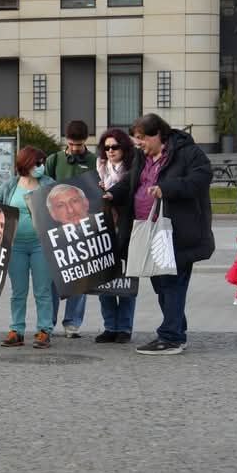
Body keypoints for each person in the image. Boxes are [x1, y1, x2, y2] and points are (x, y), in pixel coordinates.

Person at [106, 113, 214, 355]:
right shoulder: (143, 158)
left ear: (157, 135)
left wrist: (166, 189)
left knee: (172, 283)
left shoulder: (187, 151)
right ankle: (176, 331)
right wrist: (112, 194)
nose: (138, 143)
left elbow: (202, 178)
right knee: (161, 284)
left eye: (142, 138)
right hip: (147, 231)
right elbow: (130, 183)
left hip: (176, 232)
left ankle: (171, 337)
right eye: (136, 139)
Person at [0, 146, 55, 349]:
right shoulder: (12, 184)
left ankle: (44, 330)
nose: (41, 167)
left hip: (40, 244)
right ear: (27, 163)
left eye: (42, 163)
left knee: (43, 290)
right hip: (15, 245)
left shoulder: (48, 184)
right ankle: (17, 330)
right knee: (18, 291)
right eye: (38, 163)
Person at [44, 120, 97, 339]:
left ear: (86, 141)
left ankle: (73, 322)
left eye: (80, 144)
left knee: (79, 277)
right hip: (56, 227)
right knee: (53, 278)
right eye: (73, 144)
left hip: (82, 226)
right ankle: (49, 320)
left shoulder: (94, 161)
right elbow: (43, 189)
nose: (76, 148)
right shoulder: (54, 160)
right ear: (66, 140)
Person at [94, 128, 137, 343]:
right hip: (103, 229)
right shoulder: (99, 169)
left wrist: (111, 193)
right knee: (104, 280)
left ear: (124, 148)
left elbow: (127, 189)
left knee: (126, 280)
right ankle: (110, 326)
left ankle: (125, 328)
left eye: (115, 147)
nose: (110, 151)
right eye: (106, 147)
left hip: (127, 229)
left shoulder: (133, 168)